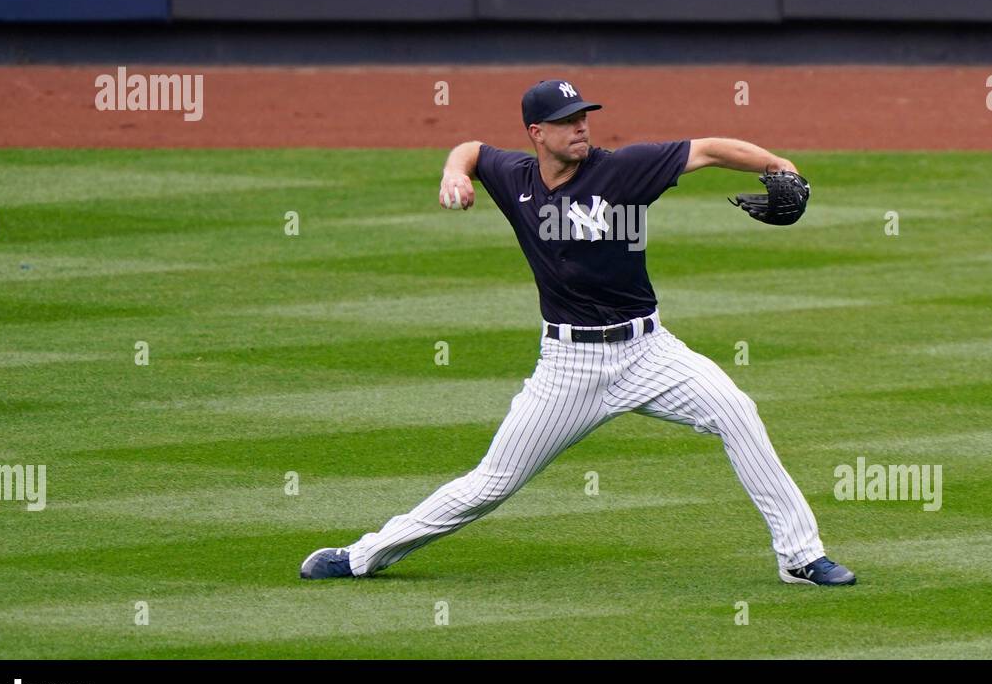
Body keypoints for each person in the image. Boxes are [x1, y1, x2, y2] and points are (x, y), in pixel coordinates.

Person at [301, 79, 855, 587]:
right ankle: (360, 556)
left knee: (738, 413)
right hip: (569, 367)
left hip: (649, 351)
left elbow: (709, 148)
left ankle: (800, 556)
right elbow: (470, 149)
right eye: (568, 120)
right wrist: (454, 172)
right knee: (492, 483)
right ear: (537, 134)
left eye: (584, 116)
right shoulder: (514, 178)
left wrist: (780, 165)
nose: (582, 127)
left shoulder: (624, 169)